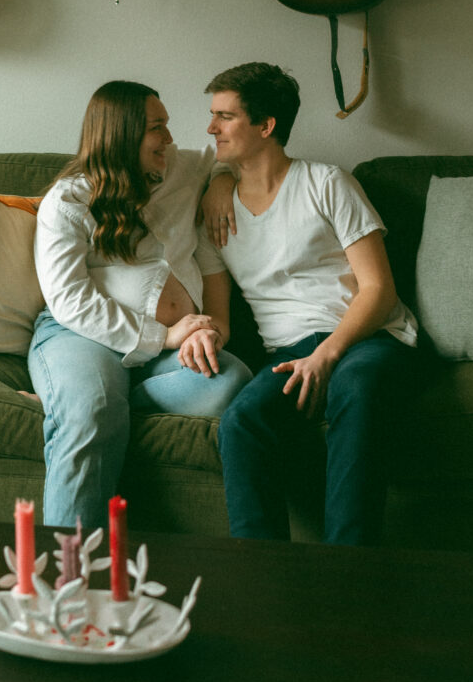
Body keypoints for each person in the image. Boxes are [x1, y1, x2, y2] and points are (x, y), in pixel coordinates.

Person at [195, 62, 423, 546]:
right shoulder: (213, 215)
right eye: (212, 115)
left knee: (356, 388)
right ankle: (266, 575)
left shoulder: (327, 183)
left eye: (225, 116)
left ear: (266, 125)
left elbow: (378, 289)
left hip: (369, 338)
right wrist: (199, 334)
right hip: (286, 352)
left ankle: (348, 569)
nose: (211, 127)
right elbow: (220, 317)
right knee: (240, 423)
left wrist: (328, 354)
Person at [28, 80, 252, 530]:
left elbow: (223, 162)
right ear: (121, 133)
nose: (169, 138)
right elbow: (70, 299)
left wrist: (221, 183)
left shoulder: (179, 169)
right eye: (157, 127)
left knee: (230, 382)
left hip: (166, 354)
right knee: (91, 412)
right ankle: (68, 574)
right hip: (80, 336)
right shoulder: (69, 200)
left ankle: (93, 395)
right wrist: (164, 335)